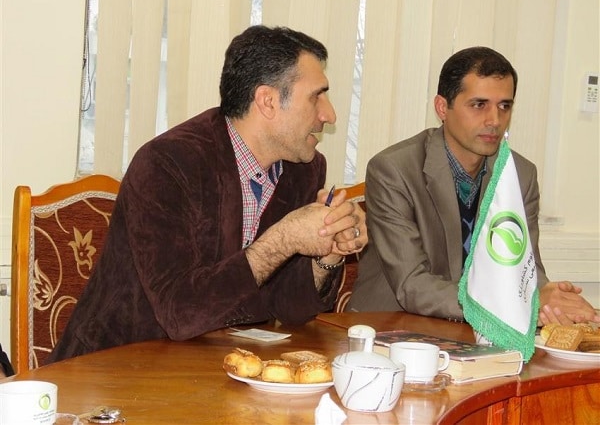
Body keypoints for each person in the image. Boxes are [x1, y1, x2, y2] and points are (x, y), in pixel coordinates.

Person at [48, 25, 367, 362]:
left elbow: (288, 310)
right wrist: (283, 239)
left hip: (220, 365)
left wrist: (327, 254)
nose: (329, 115)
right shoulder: (167, 164)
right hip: (116, 366)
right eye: (317, 96)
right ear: (268, 101)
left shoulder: (303, 169)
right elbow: (179, 314)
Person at [347, 46, 599, 326]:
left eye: (504, 106)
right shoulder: (394, 169)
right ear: (442, 108)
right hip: (390, 327)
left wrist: (551, 298)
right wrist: (518, 303)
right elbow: (412, 285)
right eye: (479, 105)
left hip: (478, 329)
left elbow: (525, 270)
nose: (495, 120)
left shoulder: (521, 174)